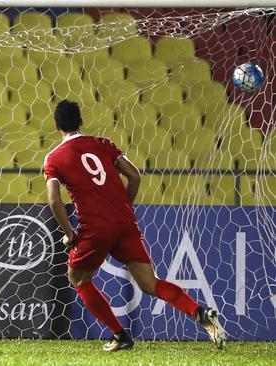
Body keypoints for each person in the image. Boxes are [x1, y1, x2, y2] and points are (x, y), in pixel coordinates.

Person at [43, 100, 226, 352]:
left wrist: (69, 233)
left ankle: (120, 335)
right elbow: (135, 174)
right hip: (125, 222)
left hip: (95, 227)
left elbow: (54, 200)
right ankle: (200, 312)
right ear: (80, 121)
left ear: (56, 126)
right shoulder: (102, 143)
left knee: (78, 278)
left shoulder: (53, 158)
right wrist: (123, 208)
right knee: (150, 283)